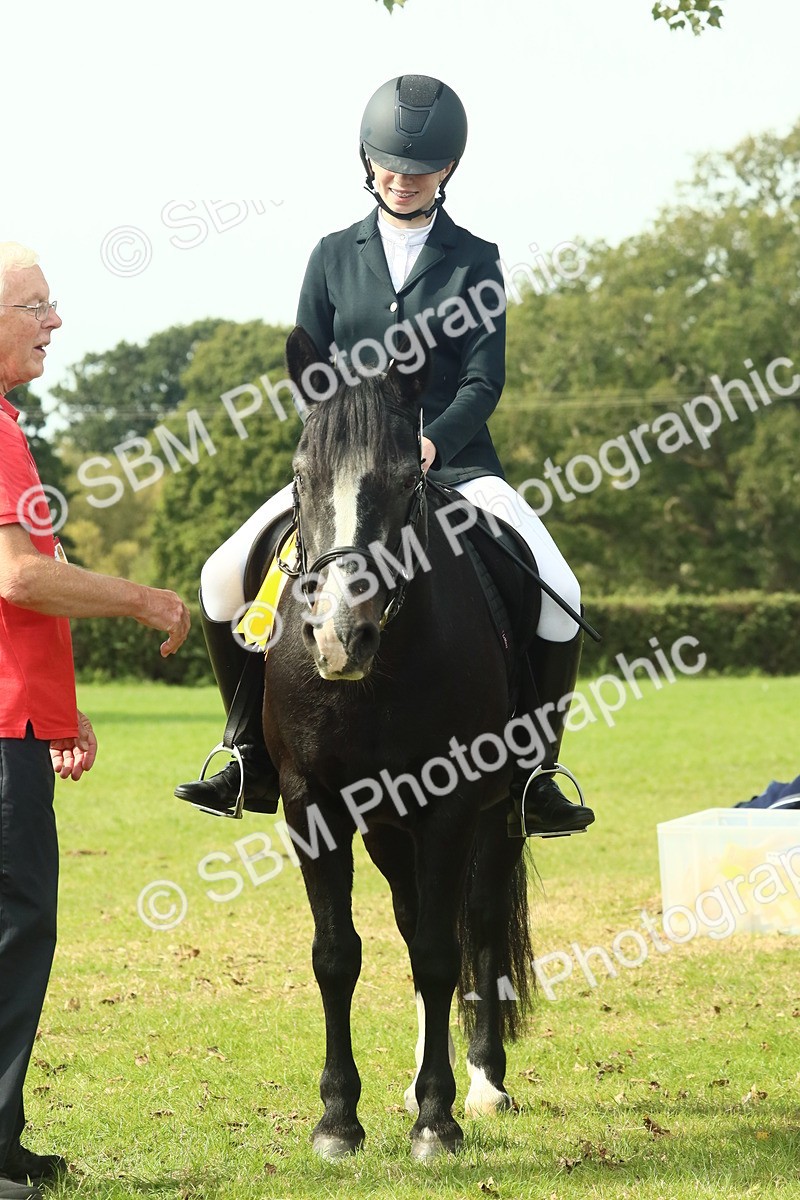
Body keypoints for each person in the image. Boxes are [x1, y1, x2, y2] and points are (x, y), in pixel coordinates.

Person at [175, 75, 594, 840]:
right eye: (388, 165)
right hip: (344, 471)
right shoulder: (333, 256)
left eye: (419, 168)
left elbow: (483, 377)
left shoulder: (476, 260)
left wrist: (434, 441)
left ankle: (534, 772)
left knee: (560, 590)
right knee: (217, 576)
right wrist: (348, 449)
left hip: (457, 461)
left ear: (447, 173)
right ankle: (244, 753)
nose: (401, 179)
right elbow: (311, 368)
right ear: (366, 163)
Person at [0, 242, 191, 1200]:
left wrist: (61, 715)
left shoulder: (8, 424)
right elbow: (22, 578)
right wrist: (148, 600)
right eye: (35, 305)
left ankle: (4, 1141)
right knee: (13, 929)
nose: (56, 320)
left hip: (17, 727)